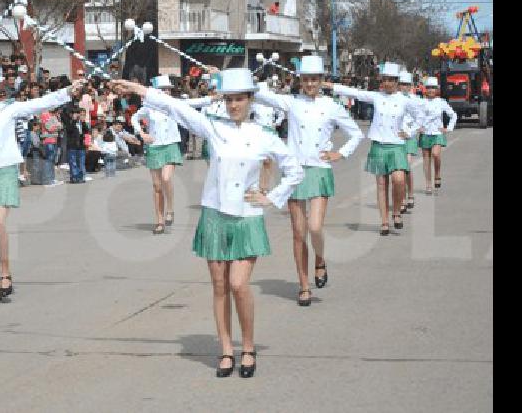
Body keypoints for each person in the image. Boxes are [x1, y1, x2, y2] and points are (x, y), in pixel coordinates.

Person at [109, 68, 303, 379]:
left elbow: (295, 170)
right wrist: (137, 88)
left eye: (239, 99)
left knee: (239, 285)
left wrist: (272, 196)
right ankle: (226, 349)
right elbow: (176, 108)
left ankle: (248, 346)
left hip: (246, 217)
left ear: (251, 100)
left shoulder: (264, 135)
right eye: (229, 99)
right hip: (214, 214)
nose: (234, 105)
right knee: (219, 286)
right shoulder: (214, 127)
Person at [0, 63, 86, 304]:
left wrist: (68, 92)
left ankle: (7, 273)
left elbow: (40, 103)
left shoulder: (10, 108)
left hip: (4, 171)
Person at [251, 55, 363, 304]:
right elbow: (259, 94)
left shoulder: (332, 106)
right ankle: (303, 285)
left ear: (322, 80)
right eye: (306, 79)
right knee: (298, 233)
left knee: (315, 227)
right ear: (300, 80)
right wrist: (227, 77)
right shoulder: (292, 102)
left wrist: (340, 153)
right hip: (295, 171)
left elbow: (355, 134)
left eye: (315, 79)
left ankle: (320, 259)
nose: (310, 83)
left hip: (320, 169)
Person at [322, 63, 426, 235]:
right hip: (378, 145)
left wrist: (409, 132)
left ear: (397, 82)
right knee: (381, 184)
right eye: (385, 80)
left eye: (391, 80)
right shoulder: (376, 96)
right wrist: (332, 86)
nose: (387, 83)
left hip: (397, 146)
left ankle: (397, 211)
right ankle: (384, 221)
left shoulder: (405, 100)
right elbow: (355, 93)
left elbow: (420, 116)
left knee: (399, 179)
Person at [131, 75, 186, 234]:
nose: (166, 92)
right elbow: (135, 118)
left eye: (168, 89)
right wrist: (142, 134)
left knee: (166, 178)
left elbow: (194, 103)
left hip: (171, 145)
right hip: (154, 147)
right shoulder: (149, 107)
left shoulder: (174, 104)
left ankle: (170, 209)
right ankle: (159, 221)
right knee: (157, 186)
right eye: (163, 89)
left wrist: (213, 98)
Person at [415, 76, 457, 194]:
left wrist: (448, 128)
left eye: (433, 88)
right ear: (425, 89)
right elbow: (414, 116)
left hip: (437, 133)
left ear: (437, 89)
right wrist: (418, 127)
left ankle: (437, 173)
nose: (430, 90)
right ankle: (428, 183)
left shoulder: (441, 102)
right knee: (426, 160)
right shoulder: (421, 102)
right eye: (428, 88)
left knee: (436, 154)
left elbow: (453, 115)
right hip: (425, 133)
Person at [397, 71, 421, 214]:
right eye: (401, 84)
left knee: (406, 167)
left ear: (410, 85)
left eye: (406, 85)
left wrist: (410, 132)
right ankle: (401, 199)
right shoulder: (393, 99)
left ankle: (410, 194)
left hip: (410, 137)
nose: (404, 87)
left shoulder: (416, 100)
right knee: (398, 171)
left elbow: (420, 118)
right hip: (396, 138)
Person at [63, 108, 90, 184]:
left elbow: (87, 131)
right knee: (73, 162)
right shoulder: (70, 122)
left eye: (83, 115)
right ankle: (74, 177)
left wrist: (83, 122)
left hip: (81, 145)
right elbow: (69, 129)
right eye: (79, 114)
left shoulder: (82, 123)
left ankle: (81, 177)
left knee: (81, 162)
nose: (81, 116)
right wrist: (74, 120)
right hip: (72, 145)